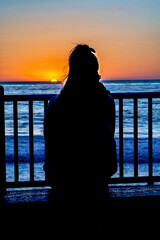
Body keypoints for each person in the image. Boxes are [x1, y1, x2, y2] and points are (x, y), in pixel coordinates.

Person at [44, 44, 117, 225]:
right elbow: (107, 140)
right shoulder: (105, 102)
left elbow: (51, 143)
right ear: (94, 72)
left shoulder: (55, 104)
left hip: (61, 178)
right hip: (96, 177)